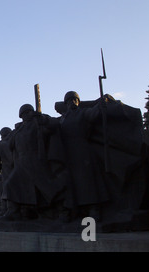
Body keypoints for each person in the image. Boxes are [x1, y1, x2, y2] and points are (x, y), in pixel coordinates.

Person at [59, 91, 109, 220]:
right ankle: (74, 209)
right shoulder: (63, 118)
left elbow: (94, 113)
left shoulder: (83, 112)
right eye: (69, 101)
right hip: (68, 153)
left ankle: (93, 208)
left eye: (74, 100)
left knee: (88, 180)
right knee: (70, 182)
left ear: (78, 102)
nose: (72, 102)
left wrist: (102, 104)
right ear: (66, 104)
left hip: (82, 150)